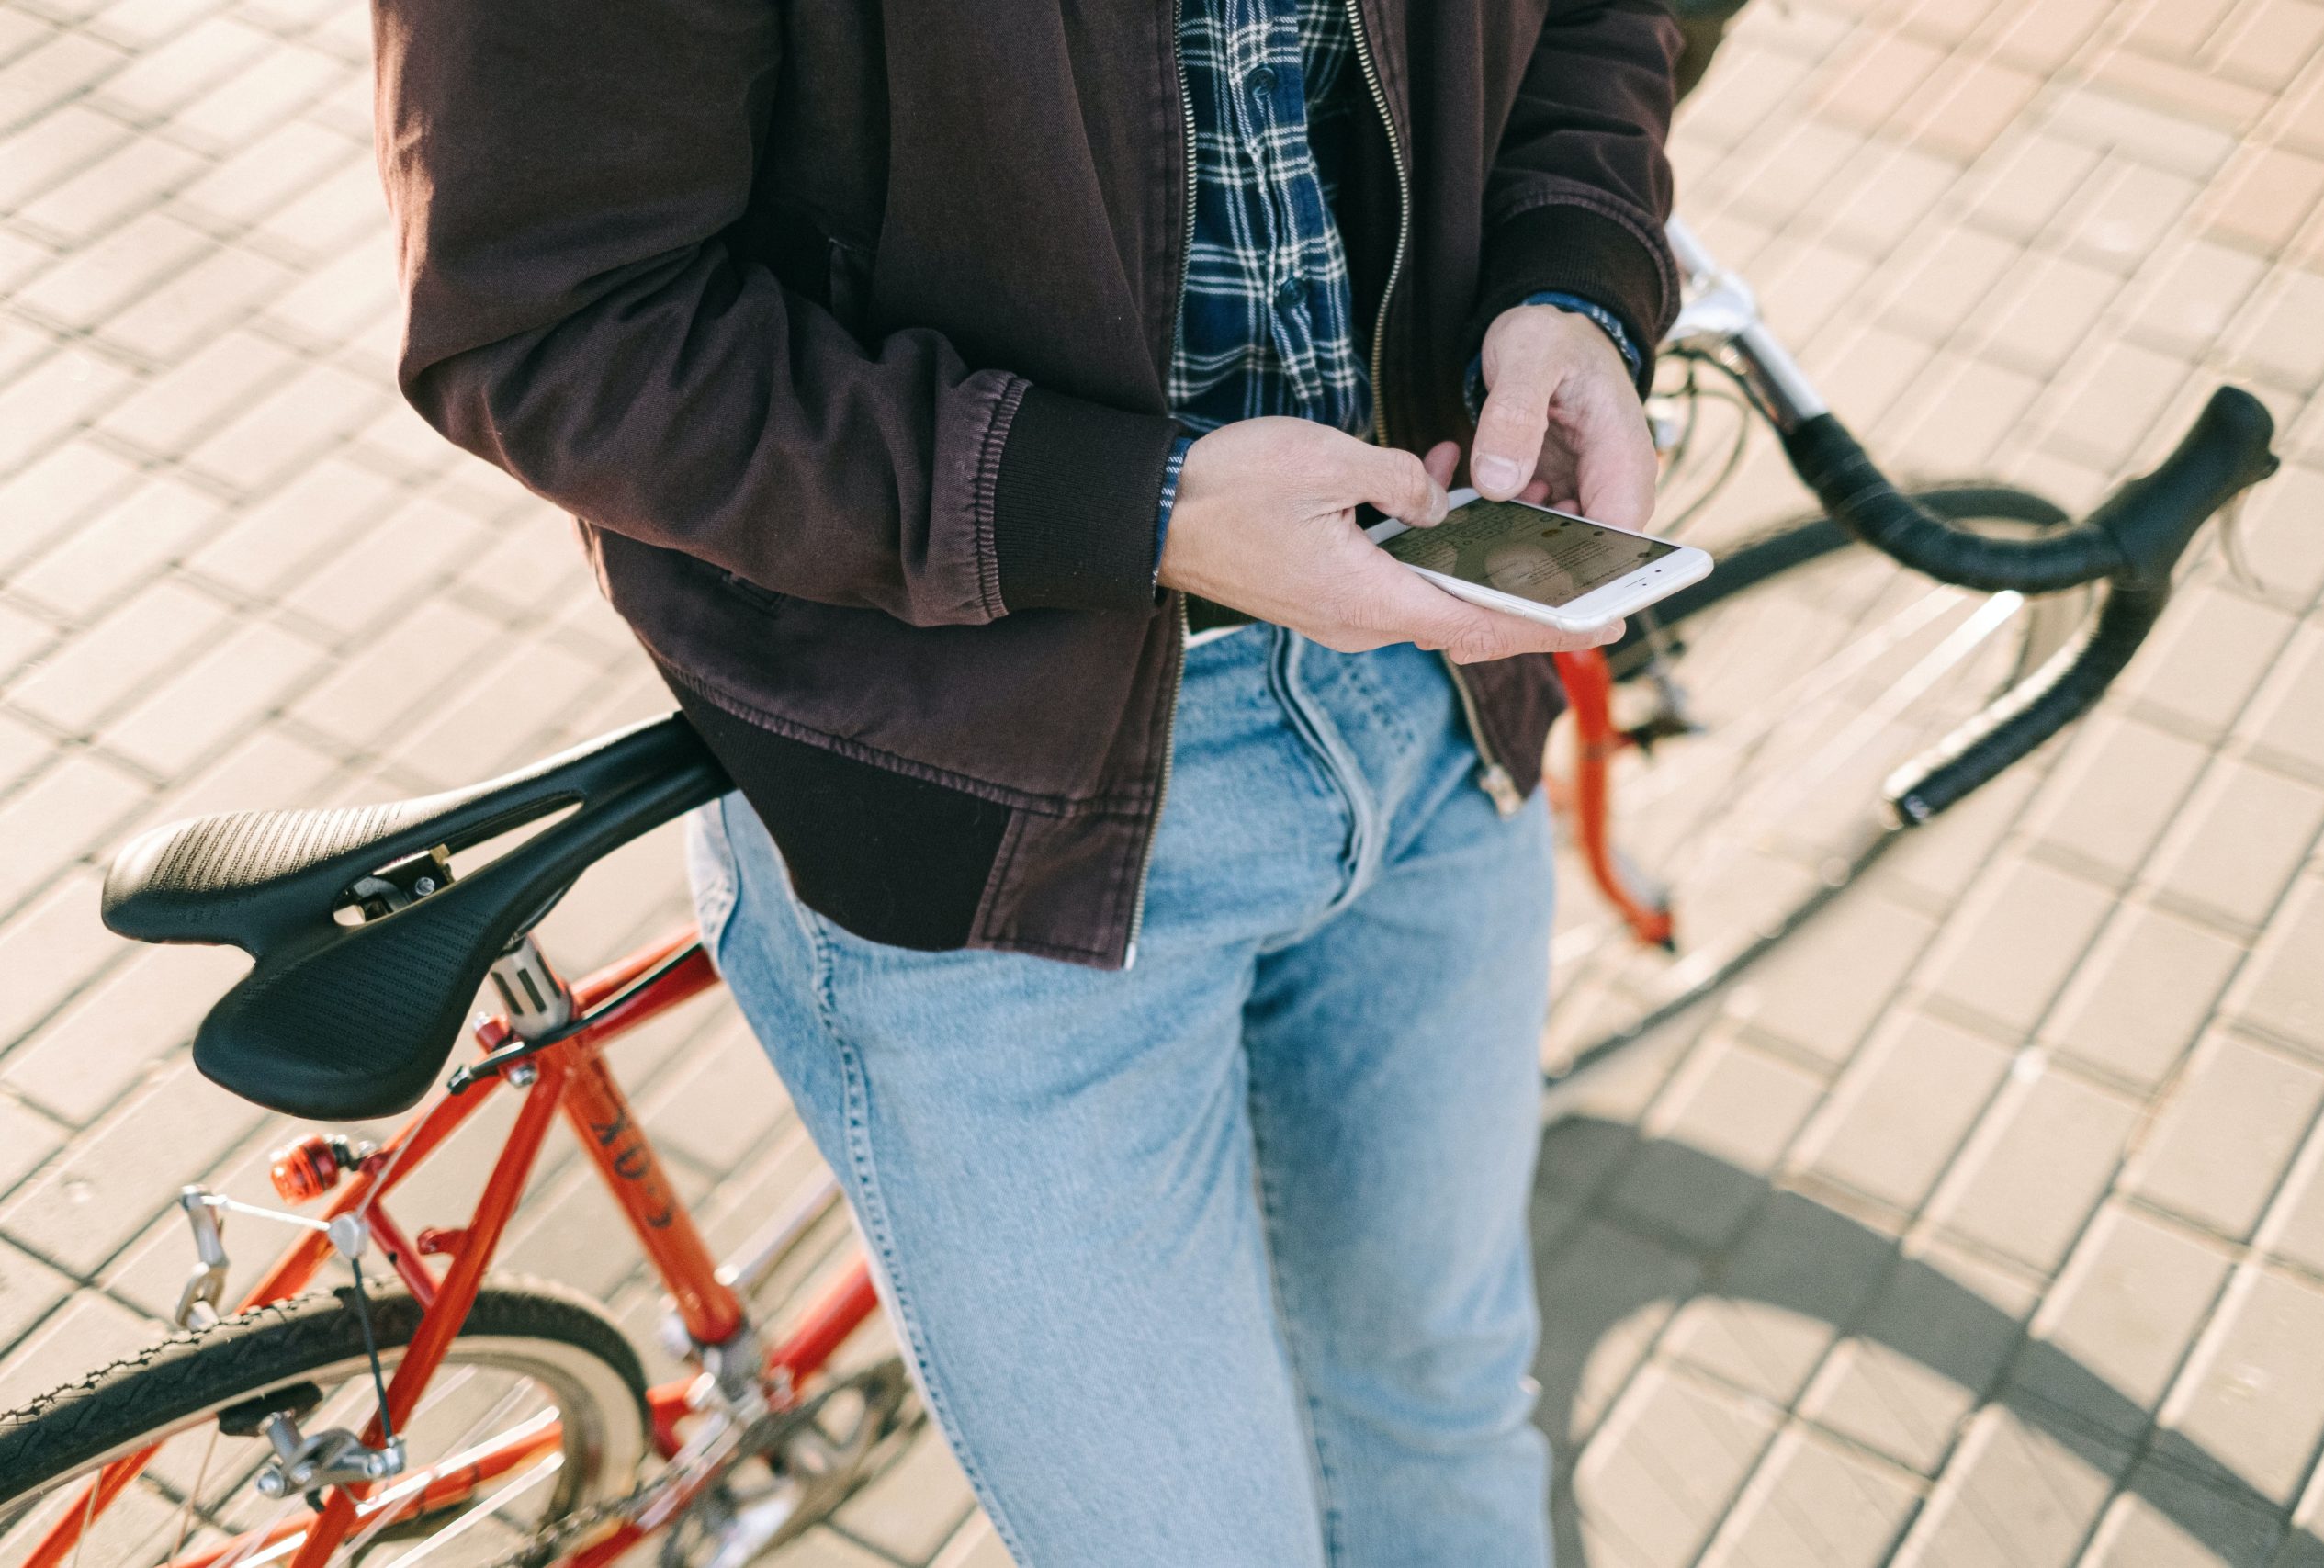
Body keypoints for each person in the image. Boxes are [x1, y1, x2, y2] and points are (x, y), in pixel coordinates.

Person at [371, 1, 1678, 1561]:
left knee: (1447, 1404)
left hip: (1436, 699)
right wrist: (1121, 506)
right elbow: (546, 325)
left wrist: (1573, 281)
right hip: (988, 811)